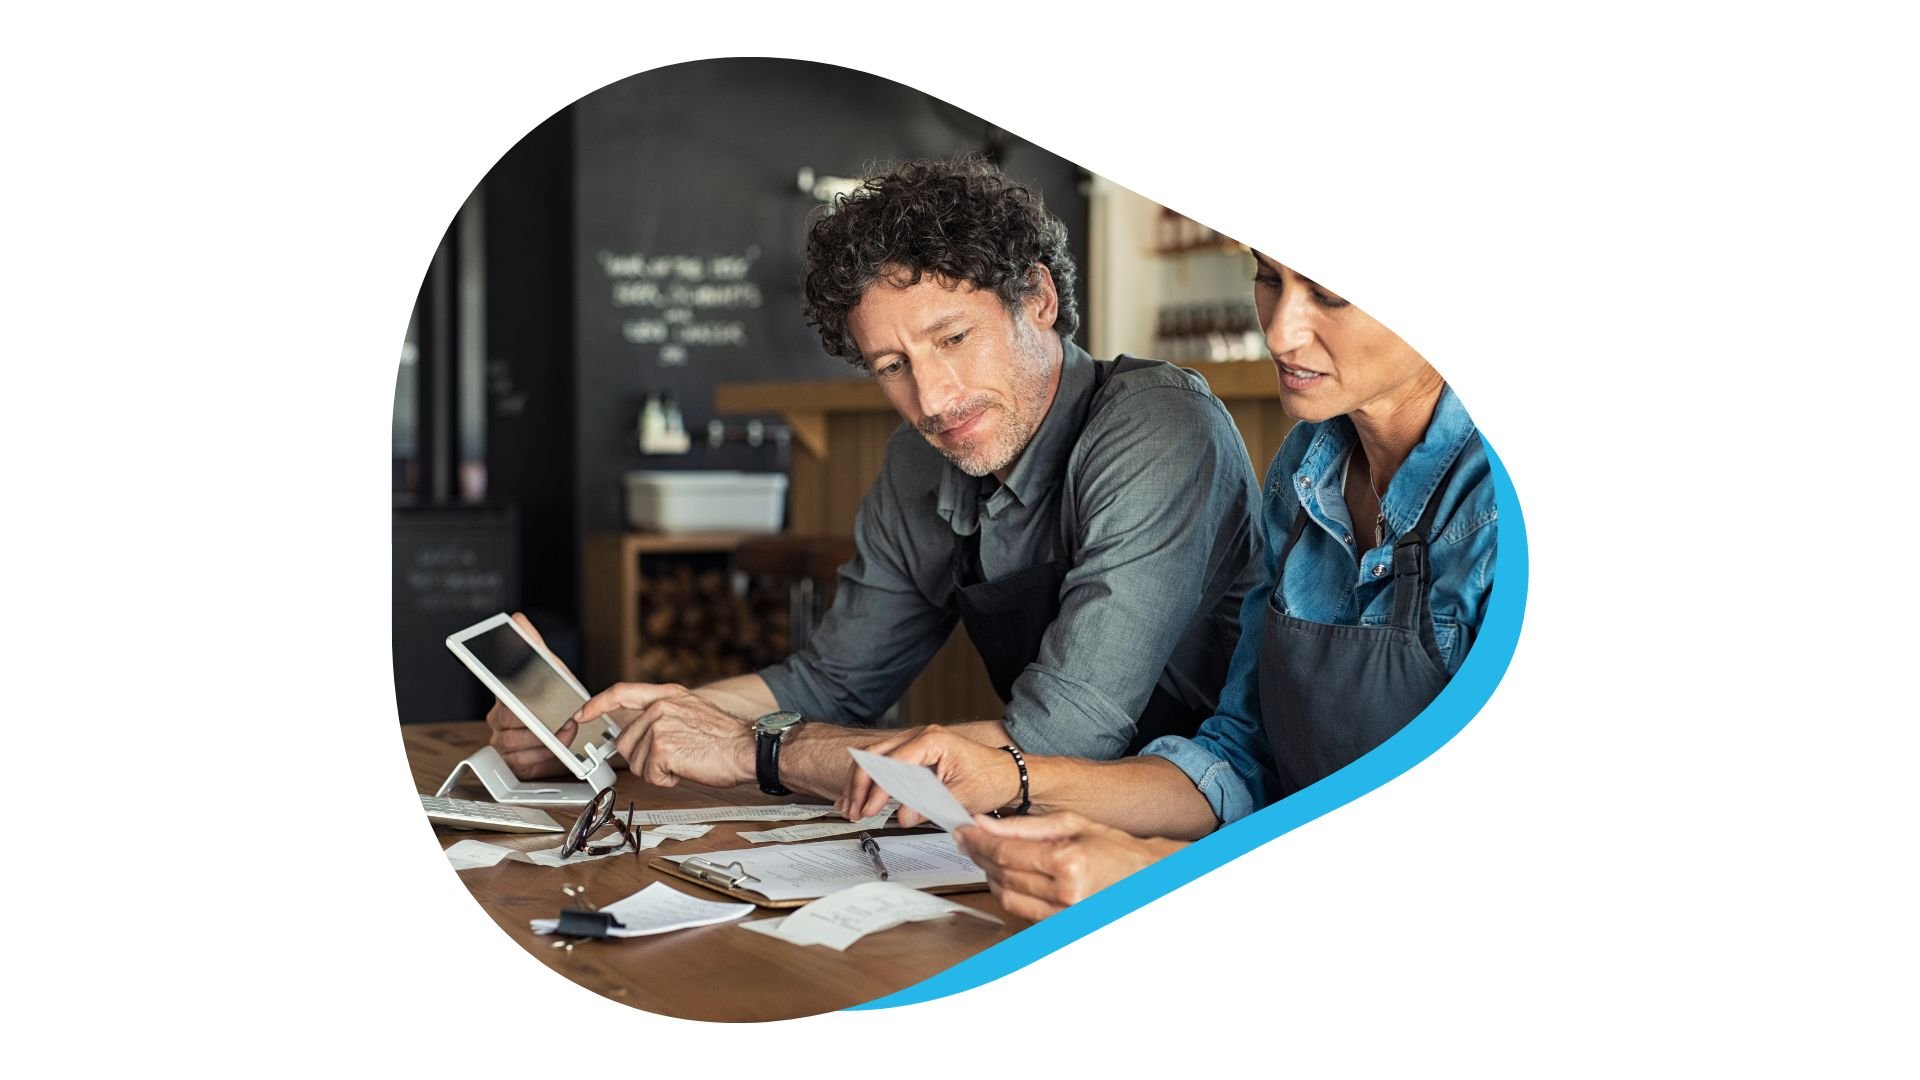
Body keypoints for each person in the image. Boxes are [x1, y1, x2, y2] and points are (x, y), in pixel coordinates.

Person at [488, 157, 1262, 801]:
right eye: (892, 367)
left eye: (953, 338)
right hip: (1043, 824)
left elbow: (1058, 740)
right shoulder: (920, 461)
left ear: (1039, 299)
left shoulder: (1157, 429)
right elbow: (832, 681)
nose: (932, 399)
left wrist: (754, 752)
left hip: (1209, 823)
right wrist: (619, 723)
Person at [842, 253, 1497, 920]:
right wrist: (1009, 775)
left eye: (1328, 295)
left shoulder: (1508, 507)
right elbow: (1240, 759)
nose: (1278, 332)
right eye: (1269, 280)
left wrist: (1156, 871)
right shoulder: (1304, 473)